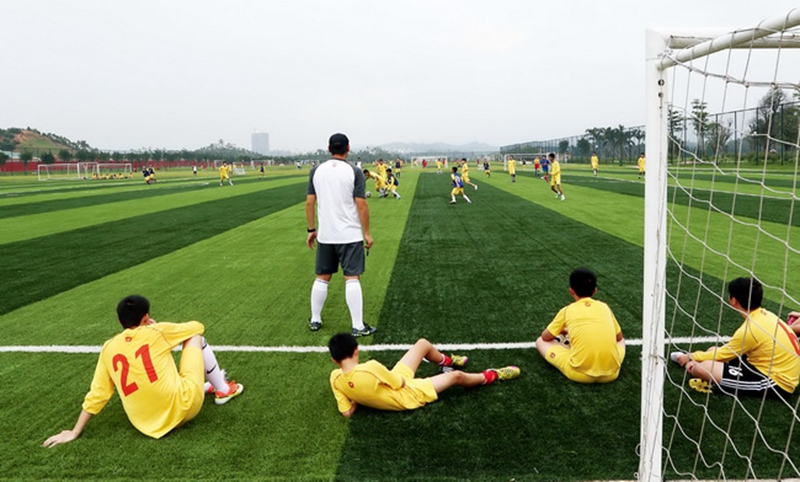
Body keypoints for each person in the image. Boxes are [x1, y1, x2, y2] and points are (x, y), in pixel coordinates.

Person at [42, 295, 243, 447]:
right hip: (185, 407)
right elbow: (197, 327)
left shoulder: (108, 347)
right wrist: (157, 327)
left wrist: (75, 431)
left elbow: (98, 393)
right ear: (146, 317)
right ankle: (223, 389)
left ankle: (205, 385)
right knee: (196, 338)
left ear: (120, 322)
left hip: (144, 424)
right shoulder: (156, 331)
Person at [328, 332, 520, 416]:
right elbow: (400, 384)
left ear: (334, 360)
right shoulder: (371, 367)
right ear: (356, 350)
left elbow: (346, 412)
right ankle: (492, 375)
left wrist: (359, 396)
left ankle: (447, 362)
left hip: (387, 385)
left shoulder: (335, 378)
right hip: (405, 396)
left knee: (422, 344)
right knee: (456, 377)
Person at [670, 277, 800, 398]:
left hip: (777, 381)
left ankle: (714, 381)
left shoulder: (750, 329)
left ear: (733, 300)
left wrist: (690, 356)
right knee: (711, 350)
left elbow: (723, 355)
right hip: (768, 364)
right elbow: (723, 353)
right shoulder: (766, 315)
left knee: (700, 368)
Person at [307, 133, 376, 337]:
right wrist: (367, 233)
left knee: (322, 277)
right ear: (348, 148)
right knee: (352, 278)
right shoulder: (354, 171)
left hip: (326, 235)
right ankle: (358, 326)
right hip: (350, 235)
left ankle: (315, 319)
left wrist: (311, 230)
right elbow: (361, 205)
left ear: (329, 148)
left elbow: (310, 202)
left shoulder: (316, 171)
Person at [535, 268, 625, 383]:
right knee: (622, 342)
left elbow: (545, 337)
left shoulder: (567, 310)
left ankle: (569, 346)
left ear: (571, 291)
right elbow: (619, 337)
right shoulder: (605, 307)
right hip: (612, 373)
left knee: (540, 341)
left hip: (578, 374)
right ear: (594, 291)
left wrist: (564, 330)